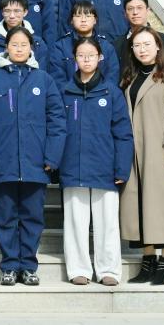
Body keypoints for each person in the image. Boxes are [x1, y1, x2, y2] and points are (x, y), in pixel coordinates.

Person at [0, 26, 66, 287]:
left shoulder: (43, 80)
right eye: (14, 44)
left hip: (35, 163)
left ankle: (28, 266)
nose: (19, 49)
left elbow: (57, 121)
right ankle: (9, 266)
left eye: (24, 44)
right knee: (4, 218)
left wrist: (52, 158)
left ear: (31, 48)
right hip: (2, 163)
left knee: (32, 218)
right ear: (6, 48)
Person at [60, 37, 134, 287]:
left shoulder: (111, 92)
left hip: (105, 166)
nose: (86, 59)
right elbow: (56, 128)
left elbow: (123, 133)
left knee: (107, 222)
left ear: (100, 58)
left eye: (91, 55)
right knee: (75, 222)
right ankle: (78, 268)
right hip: (73, 165)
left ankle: (108, 269)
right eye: (81, 55)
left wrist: (122, 168)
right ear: (75, 59)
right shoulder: (65, 91)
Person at [119, 27, 164, 286]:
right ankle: (148, 260)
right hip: (134, 151)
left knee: (163, 205)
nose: (142, 49)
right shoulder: (130, 77)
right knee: (139, 205)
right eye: (137, 45)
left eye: (147, 44)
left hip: (159, 149)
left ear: (158, 47)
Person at [49, 0, 121, 87]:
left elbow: (112, 76)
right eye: (78, 16)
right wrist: (73, 92)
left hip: (101, 94)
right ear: (71, 20)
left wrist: (100, 93)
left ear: (95, 20)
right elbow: (57, 79)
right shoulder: (61, 46)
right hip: (69, 93)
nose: (83, 20)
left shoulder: (106, 47)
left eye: (88, 16)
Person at [0, 0, 49, 75]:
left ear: (25, 12)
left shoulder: (38, 43)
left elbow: (41, 76)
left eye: (17, 11)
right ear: (2, 12)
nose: (12, 16)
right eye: (7, 11)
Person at [117, 0, 164, 71]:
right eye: (130, 9)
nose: (135, 12)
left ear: (147, 11)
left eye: (139, 8)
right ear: (125, 14)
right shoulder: (117, 43)